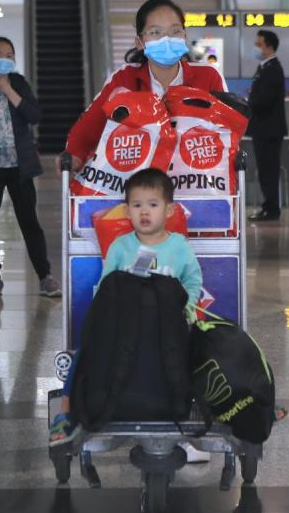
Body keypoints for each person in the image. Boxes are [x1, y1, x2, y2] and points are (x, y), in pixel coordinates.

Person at [49, 168, 202, 448]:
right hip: (124, 327)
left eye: (153, 205)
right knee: (83, 353)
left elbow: (193, 280)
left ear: (168, 211)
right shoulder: (121, 247)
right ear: (127, 211)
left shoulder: (179, 247)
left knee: (202, 351)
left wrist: (188, 307)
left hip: (168, 329)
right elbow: (107, 286)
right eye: (136, 205)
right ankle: (65, 413)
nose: (144, 212)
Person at [64, 0, 226, 170]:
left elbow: (227, 131)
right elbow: (90, 125)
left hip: (195, 182)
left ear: (184, 36)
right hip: (138, 184)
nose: (167, 39)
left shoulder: (208, 77)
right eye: (155, 32)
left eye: (175, 31)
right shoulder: (124, 79)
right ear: (139, 43)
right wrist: (74, 154)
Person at [0, 36, 61, 299]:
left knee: (29, 221)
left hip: (20, 166)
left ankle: (45, 276)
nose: (4, 58)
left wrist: (8, 90)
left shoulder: (19, 84)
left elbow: (34, 115)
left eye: (9, 54)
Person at [248, 29, 288, 222]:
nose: (256, 48)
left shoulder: (273, 69)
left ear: (269, 47)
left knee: (269, 170)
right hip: (262, 129)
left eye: (259, 44)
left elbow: (264, 100)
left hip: (269, 129)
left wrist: (248, 103)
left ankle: (271, 208)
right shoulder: (264, 67)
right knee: (264, 169)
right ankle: (268, 206)